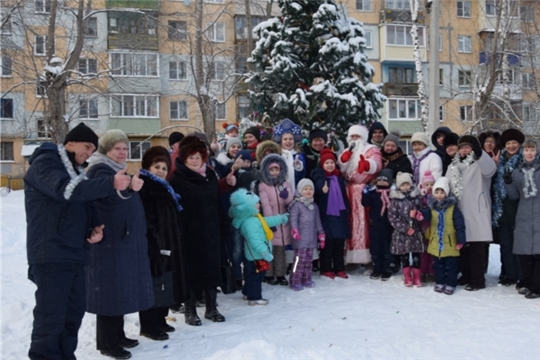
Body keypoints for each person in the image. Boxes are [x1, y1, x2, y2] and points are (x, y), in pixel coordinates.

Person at [25, 123, 131, 360]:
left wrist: (91, 229)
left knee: (72, 316)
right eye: (87, 146)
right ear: (69, 143)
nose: (89, 153)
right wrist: (109, 184)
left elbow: (77, 206)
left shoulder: (74, 170)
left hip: (73, 253)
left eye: (93, 149)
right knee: (50, 318)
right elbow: (66, 191)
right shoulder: (46, 162)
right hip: (50, 254)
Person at [85, 129, 155, 359]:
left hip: (120, 240)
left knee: (119, 289)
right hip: (109, 242)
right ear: (106, 150)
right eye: (117, 148)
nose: (122, 152)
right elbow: (105, 199)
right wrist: (129, 189)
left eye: (125, 148)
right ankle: (107, 342)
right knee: (108, 291)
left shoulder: (115, 170)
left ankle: (118, 334)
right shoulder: (99, 170)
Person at [169, 135, 229, 325]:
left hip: (211, 231)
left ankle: (211, 308)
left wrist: (222, 224)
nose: (194, 160)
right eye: (190, 156)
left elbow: (216, 202)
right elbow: (175, 209)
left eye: (198, 156)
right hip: (190, 233)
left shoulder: (210, 176)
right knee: (191, 273)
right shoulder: (177, 179)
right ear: (184, 157)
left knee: (212, 269)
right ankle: (190, 310)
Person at [138, 146, 189, 340]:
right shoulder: (145, 187)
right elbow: (147, 219)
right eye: (156, 166)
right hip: (155, 244)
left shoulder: (164, 187)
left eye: (164, 168)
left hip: (168, 242)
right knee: (154, 285)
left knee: (165, 283)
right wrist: (154, 242)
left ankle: (160, 320)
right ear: (148, 167)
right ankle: (148, 325)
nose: (160, 171)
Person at [446, 135, 496, 291]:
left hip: (477, 210)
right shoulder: (453, 166)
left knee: (476, 249)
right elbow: (447, 184)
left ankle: (478, 280)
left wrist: (480, 153)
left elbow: (490, 170)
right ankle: (466, 275)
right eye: (462, 147)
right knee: (462, 248)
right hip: (459, 210)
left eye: (467, 147)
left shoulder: (479, 162)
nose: (464, 150)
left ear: (473, 148)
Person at [228, 189, 288, 305]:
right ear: (248, 206)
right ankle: (254, 298)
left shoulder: (254, 218)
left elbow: (266, 221)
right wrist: (264, 252)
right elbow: (254, 240)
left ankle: (247, 292)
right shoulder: (250, 222)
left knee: (251, 275)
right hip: (257, 256)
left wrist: (280, 219)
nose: (259, 204)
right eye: (256, 203)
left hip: (256, 256)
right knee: (257, 276)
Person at [338, 124, 382, 264]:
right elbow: (341, 169)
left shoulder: (371, 149)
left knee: (364, 223)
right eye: (352, 136)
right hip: (348, 191)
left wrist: (368, 165)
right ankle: (349, 256)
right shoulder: (347, 150)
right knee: (349, 222)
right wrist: (343, 161)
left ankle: (366, 257)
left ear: (363, 137)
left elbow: (377, 163)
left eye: (357, 136)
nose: (355, 139)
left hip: (364, 191)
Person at [505, 139, 540, 298]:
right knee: (525, 253)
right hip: (524, 214)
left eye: (532, 150)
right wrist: (508, 182)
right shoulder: (517, 171)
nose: (529, 153)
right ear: (523, 152)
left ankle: (537, 286)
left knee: (539, 253)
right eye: (527, 150)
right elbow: (514, 196)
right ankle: (527, 282)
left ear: (536, 151)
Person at [421, 177, 466, 295]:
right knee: (438, 265)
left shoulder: (453, 208)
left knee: (451, 266)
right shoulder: (432, 207)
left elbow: (459, 225)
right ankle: (439, 282)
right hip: (436, 242)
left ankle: (451, 284)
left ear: (446, 193)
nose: (439, 195)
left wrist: (460, 240)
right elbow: (426, 215)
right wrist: (419, 215)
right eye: (437, 192)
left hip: (450, 243)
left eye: (442, 192)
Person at [311, 149, 351, 279]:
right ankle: (326, 268)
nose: (329, 165)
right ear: (322, 165)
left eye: (332, 162)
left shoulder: (338, 178)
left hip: (340, 214)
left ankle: (339, 268)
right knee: (327, 244)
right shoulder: (320, 177)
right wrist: (322, 190)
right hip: (326, 215)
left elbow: (344, 195)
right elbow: (317, 189)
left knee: (339, 243)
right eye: (327, 162)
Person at [492, 128, 524, 287]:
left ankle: (522, 274)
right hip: (502, 209)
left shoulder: (525, 159)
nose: (511, 146)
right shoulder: (499, 160)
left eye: (514, 143)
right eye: (508, 143)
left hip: (520, 208)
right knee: (505, 244)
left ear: (520, 144)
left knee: (520, 244)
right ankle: (509, 274)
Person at [258, 153, 294, 286]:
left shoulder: (285, 184)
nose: (274, 172)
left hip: (283, 222)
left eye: (276, 170)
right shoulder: (263, 185)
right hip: (271, 222)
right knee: (269, 249)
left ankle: (280, 274)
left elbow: (290, 201)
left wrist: (286, 196)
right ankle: (267, 274)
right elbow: (265, 204)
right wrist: (270, 222)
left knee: (280, 250)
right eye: (271, 170)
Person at [388, 172, 425, 287]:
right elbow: (392, 217)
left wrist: (418, 215)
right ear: (399, 186)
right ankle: (407, 276)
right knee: (404, 255)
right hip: (402, 234)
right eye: (402, 185)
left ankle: (417, 277)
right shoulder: (395, 201)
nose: (405, 187)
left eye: (407, 184)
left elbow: (422, 210)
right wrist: (404, 228)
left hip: (415, 232)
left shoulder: (416, 198)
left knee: (416, 255)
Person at [289, 179, 325, 290]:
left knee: (309, 261)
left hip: (311, 239)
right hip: (300, 239)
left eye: (310, 189)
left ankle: (306, 279)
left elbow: (318, 221)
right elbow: (293, 218)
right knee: (299, 261)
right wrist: (294, 230)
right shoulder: (296, 205)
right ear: (300, 190)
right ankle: (295, 280)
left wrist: (321, 235)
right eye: (305, 189)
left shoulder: (314, 206)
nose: (308, 191)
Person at [361, 168, 394, 281]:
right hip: (375, 225)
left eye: (384, 180)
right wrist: (365, 193)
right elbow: (365, 203)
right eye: (379, 180)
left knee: (387, 249)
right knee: (375, 249)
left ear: (389, 181)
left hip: (388, 226)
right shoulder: (374, 193)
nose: (381, 182)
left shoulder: (392, 194)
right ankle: (377, 268)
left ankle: (387, 269)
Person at [273, 118, 306, 189]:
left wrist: (298, 166)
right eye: (285, 139)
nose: (288, 141)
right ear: (281, 141)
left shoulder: (299, 155)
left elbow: (302, 174)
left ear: (294, 141)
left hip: (296, 188)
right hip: (280, 188)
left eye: (291, 139)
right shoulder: (277, 156)